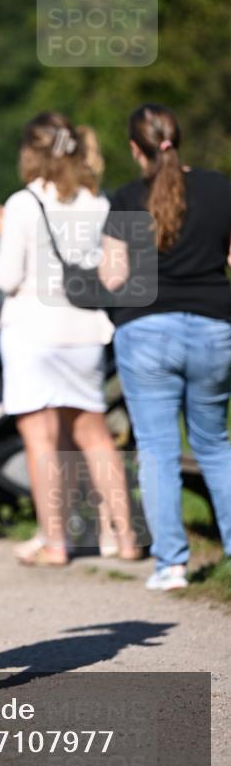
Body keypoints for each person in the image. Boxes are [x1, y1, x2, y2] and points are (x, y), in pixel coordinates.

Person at [0, 111, 139, 566]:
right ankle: (126, 535)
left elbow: (5, 275)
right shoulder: (98, 201)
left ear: (31, 152)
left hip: (33, 329)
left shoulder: (22, 203)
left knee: (41, 438)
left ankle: (55, 540)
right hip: (86, 329)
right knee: (94, 435)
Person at [101, 104, 231, 590]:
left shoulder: (129, 197)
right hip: (215, 327)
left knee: (156, 450)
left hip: (146, 331)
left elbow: (113, 277)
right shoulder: (220, 188)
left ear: (138, 150)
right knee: (215, 445)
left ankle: (172, 564)